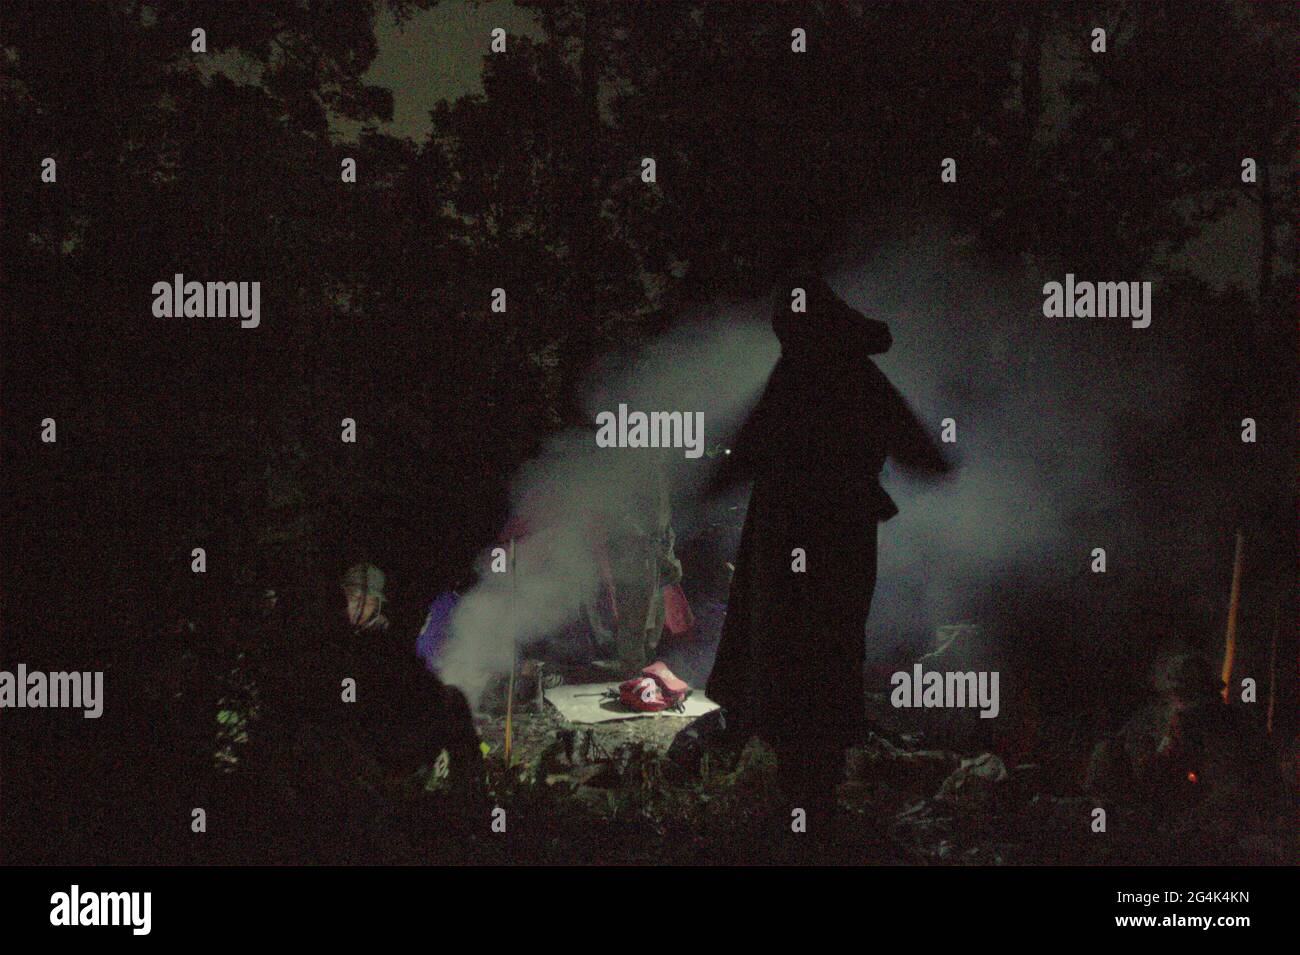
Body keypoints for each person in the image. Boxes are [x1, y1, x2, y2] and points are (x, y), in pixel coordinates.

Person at [685, 270, 952, 825]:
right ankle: (810, 796)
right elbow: (922, 453)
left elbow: (745, 452)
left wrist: (707, 485)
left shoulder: (803, 378)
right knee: (818, 655)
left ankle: (802, 798)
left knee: (791, 655)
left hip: (797, 539)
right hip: (834, 542)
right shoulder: (856, 379)